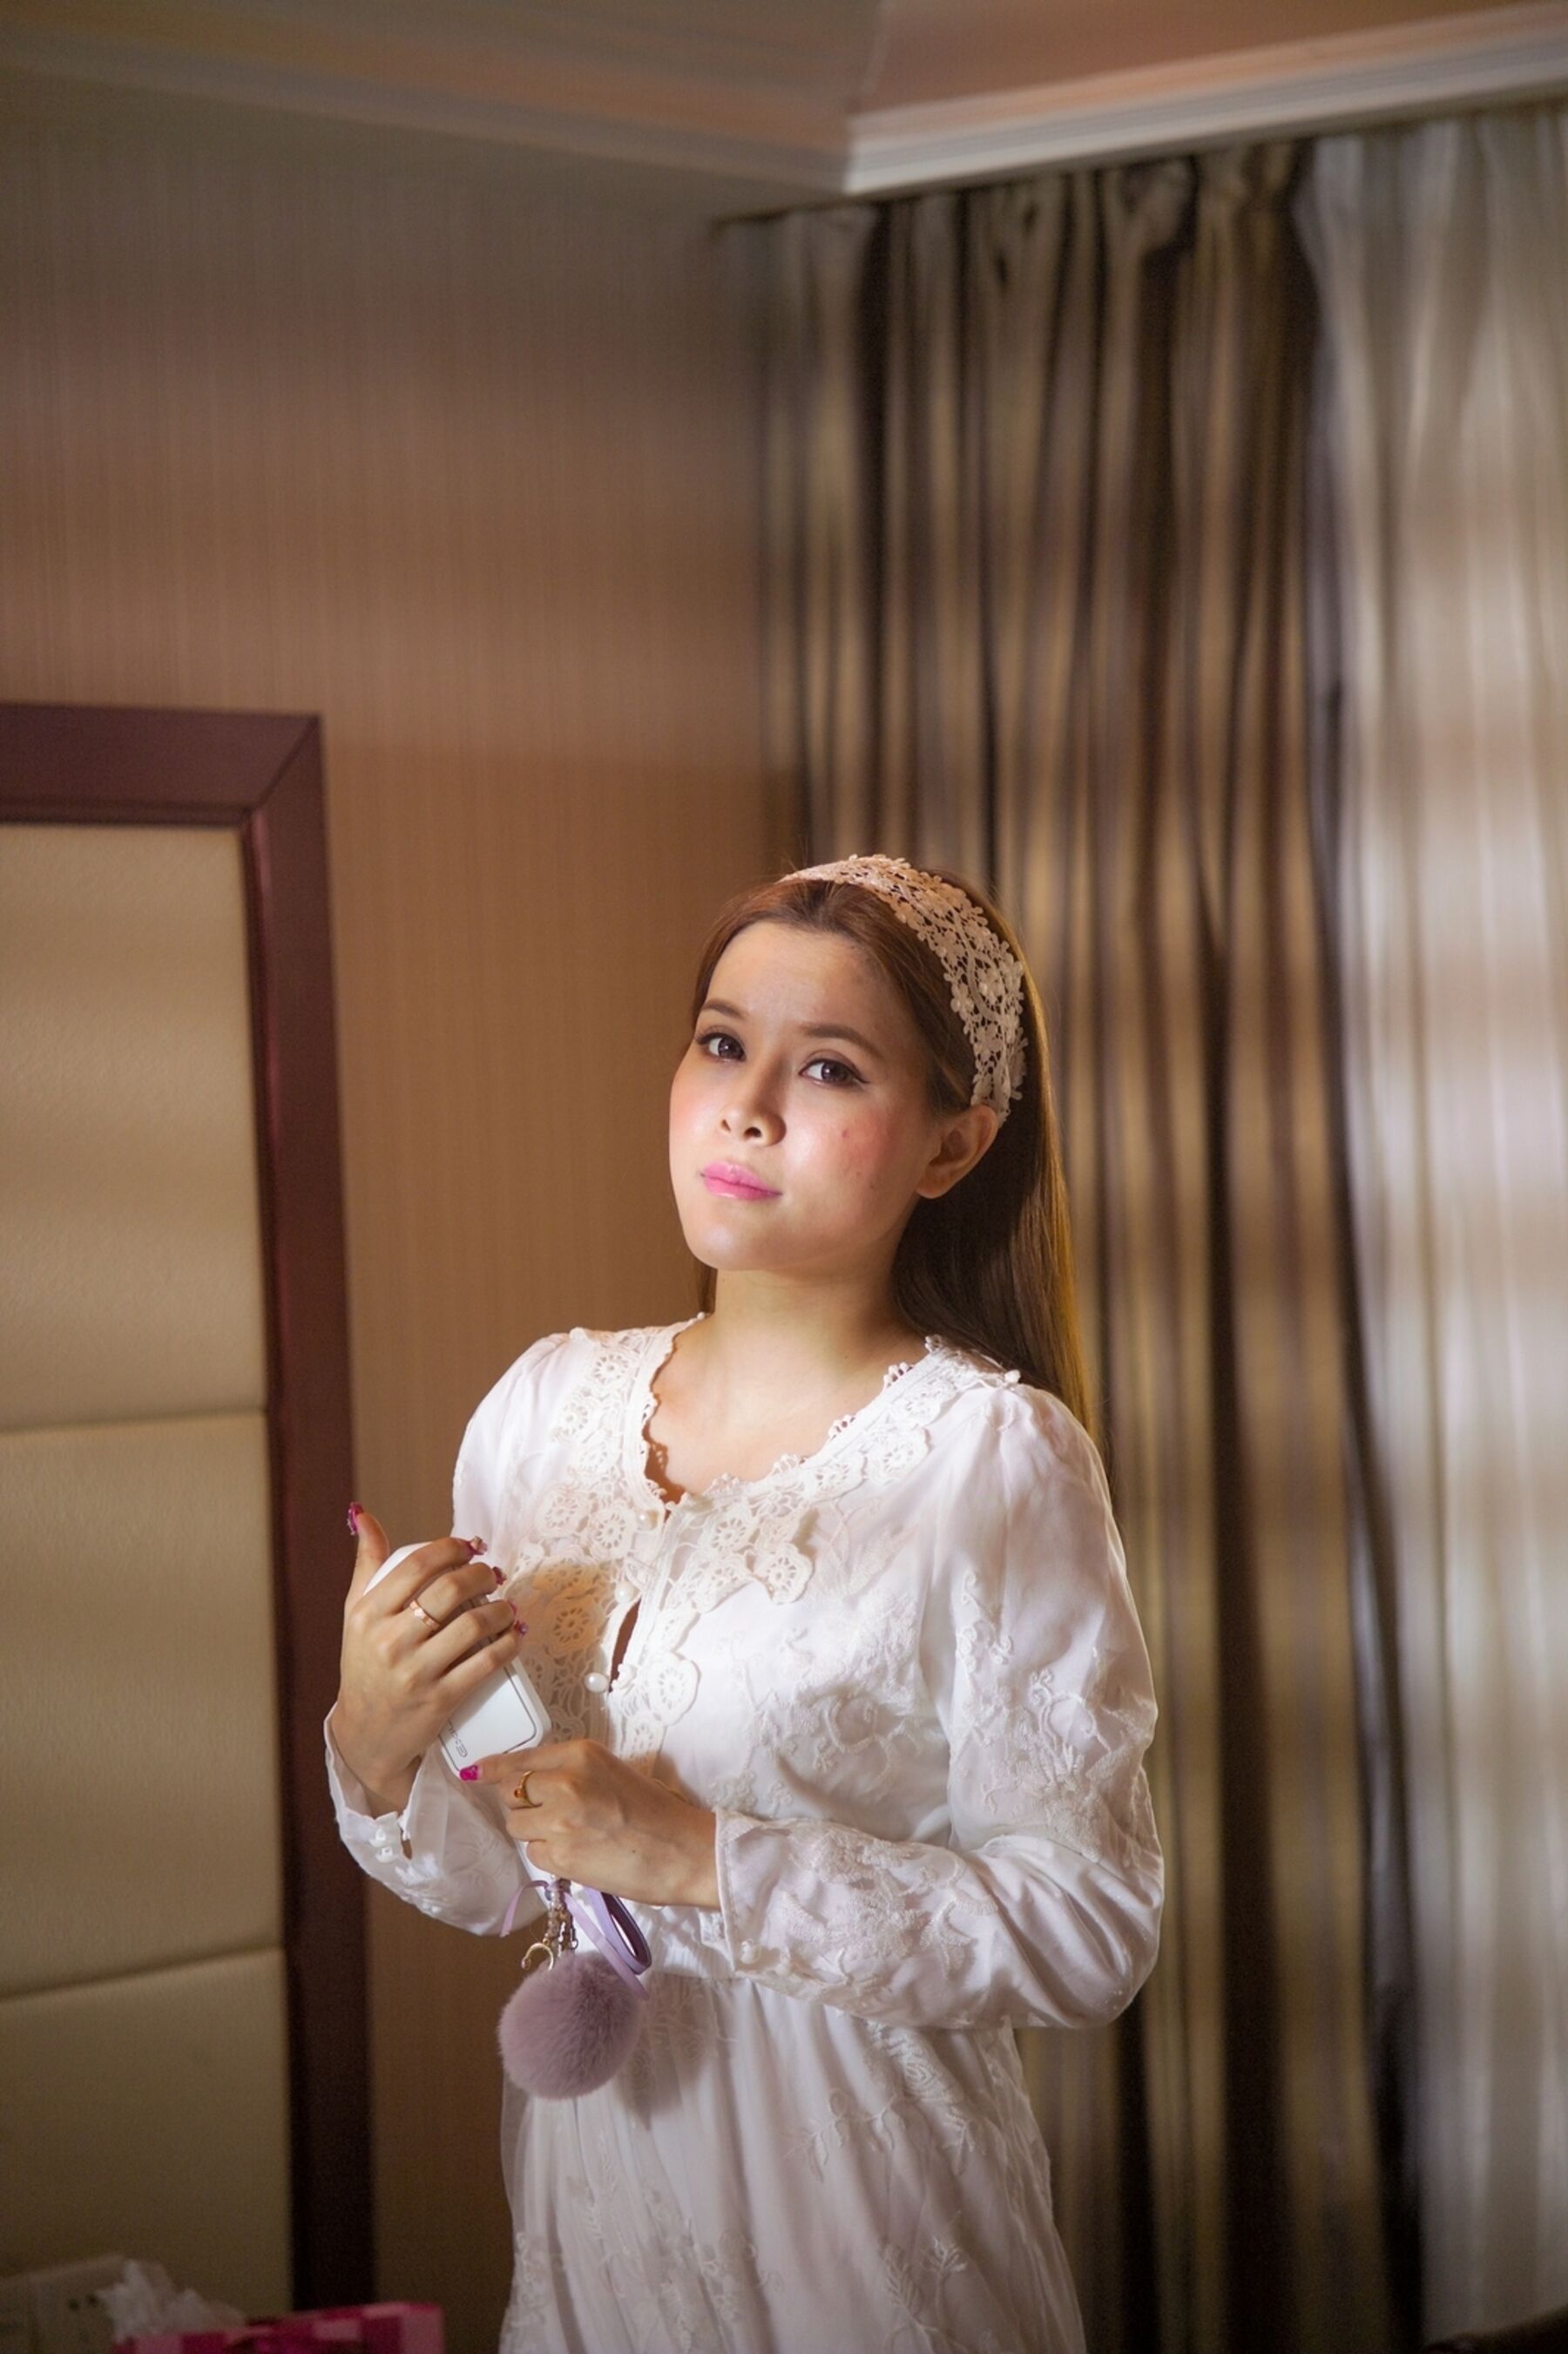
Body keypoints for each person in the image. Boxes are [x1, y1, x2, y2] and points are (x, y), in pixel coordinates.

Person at [326, 853, 1162, 2354]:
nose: (748, 1106)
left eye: (827, 1066)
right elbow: (507, 1876)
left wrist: (708, 1858)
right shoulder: (541, 1410)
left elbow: (1091, 1925)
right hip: (596, 2219)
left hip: (867, 2233)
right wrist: (377, 1742)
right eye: (722, 1042)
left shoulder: (990, 1459)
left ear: (953, 1145)